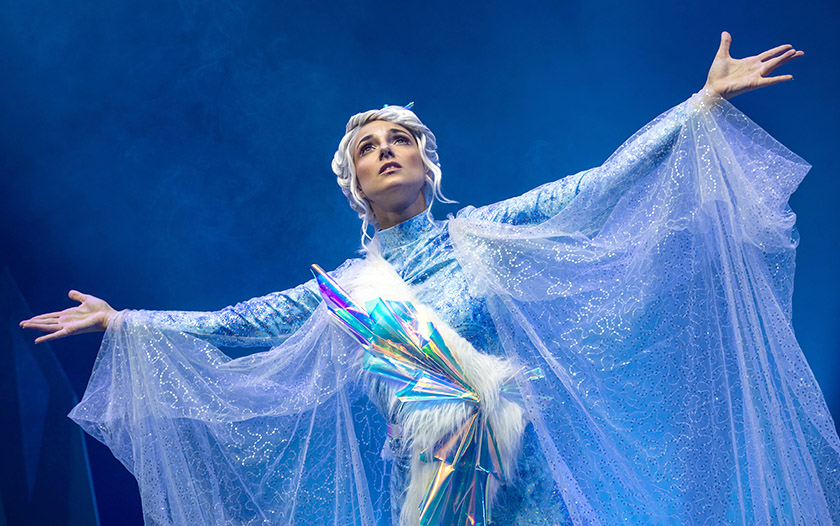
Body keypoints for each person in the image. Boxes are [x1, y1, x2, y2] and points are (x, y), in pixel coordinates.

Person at [20, 32, 840, 525]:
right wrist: (123, 323)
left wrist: (696, 107)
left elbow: (599, 183)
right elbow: (237, 322)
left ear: (426, 163)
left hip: (523, 475)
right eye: (368, 146)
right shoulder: (344, 290)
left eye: (399, 139)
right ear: (352, 184)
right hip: (435, 487)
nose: (384, 149)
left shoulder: (482, 235)